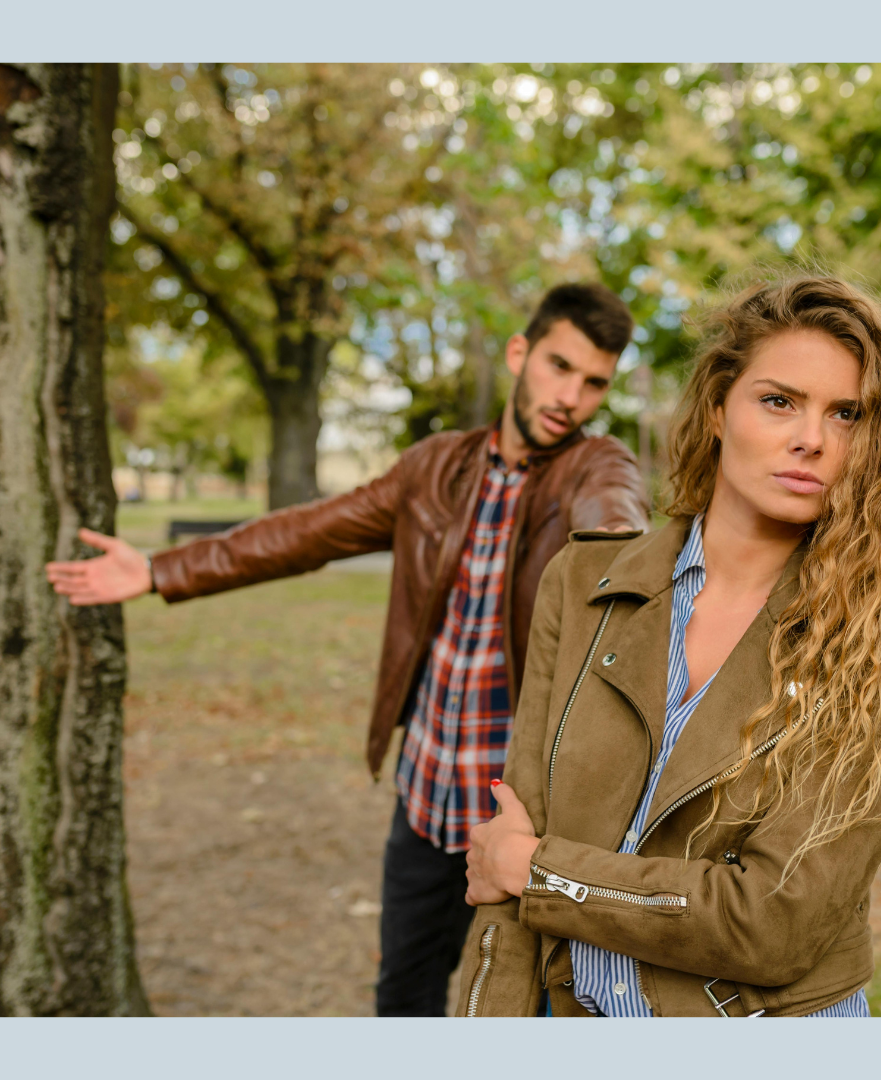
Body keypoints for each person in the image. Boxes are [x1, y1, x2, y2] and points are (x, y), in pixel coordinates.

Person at [43, 283, 650, 1016]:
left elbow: (614, 534)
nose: (571, 397)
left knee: (538, 1012)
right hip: (427, 797)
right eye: (560, 367)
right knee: (404, 996)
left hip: (528, 818)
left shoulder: (596, 467)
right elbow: (307, 532)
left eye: (594, 384)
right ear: (520, 354)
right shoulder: (433, 467)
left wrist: (623, 564)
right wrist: (158, 570)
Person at [454, 272, 881, 1017]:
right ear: (719, 410)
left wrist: (543, 875)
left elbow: (770, 923)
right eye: (778, 401)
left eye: (848, 414)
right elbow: (506, 860)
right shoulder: (582, 582)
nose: (810, 440)